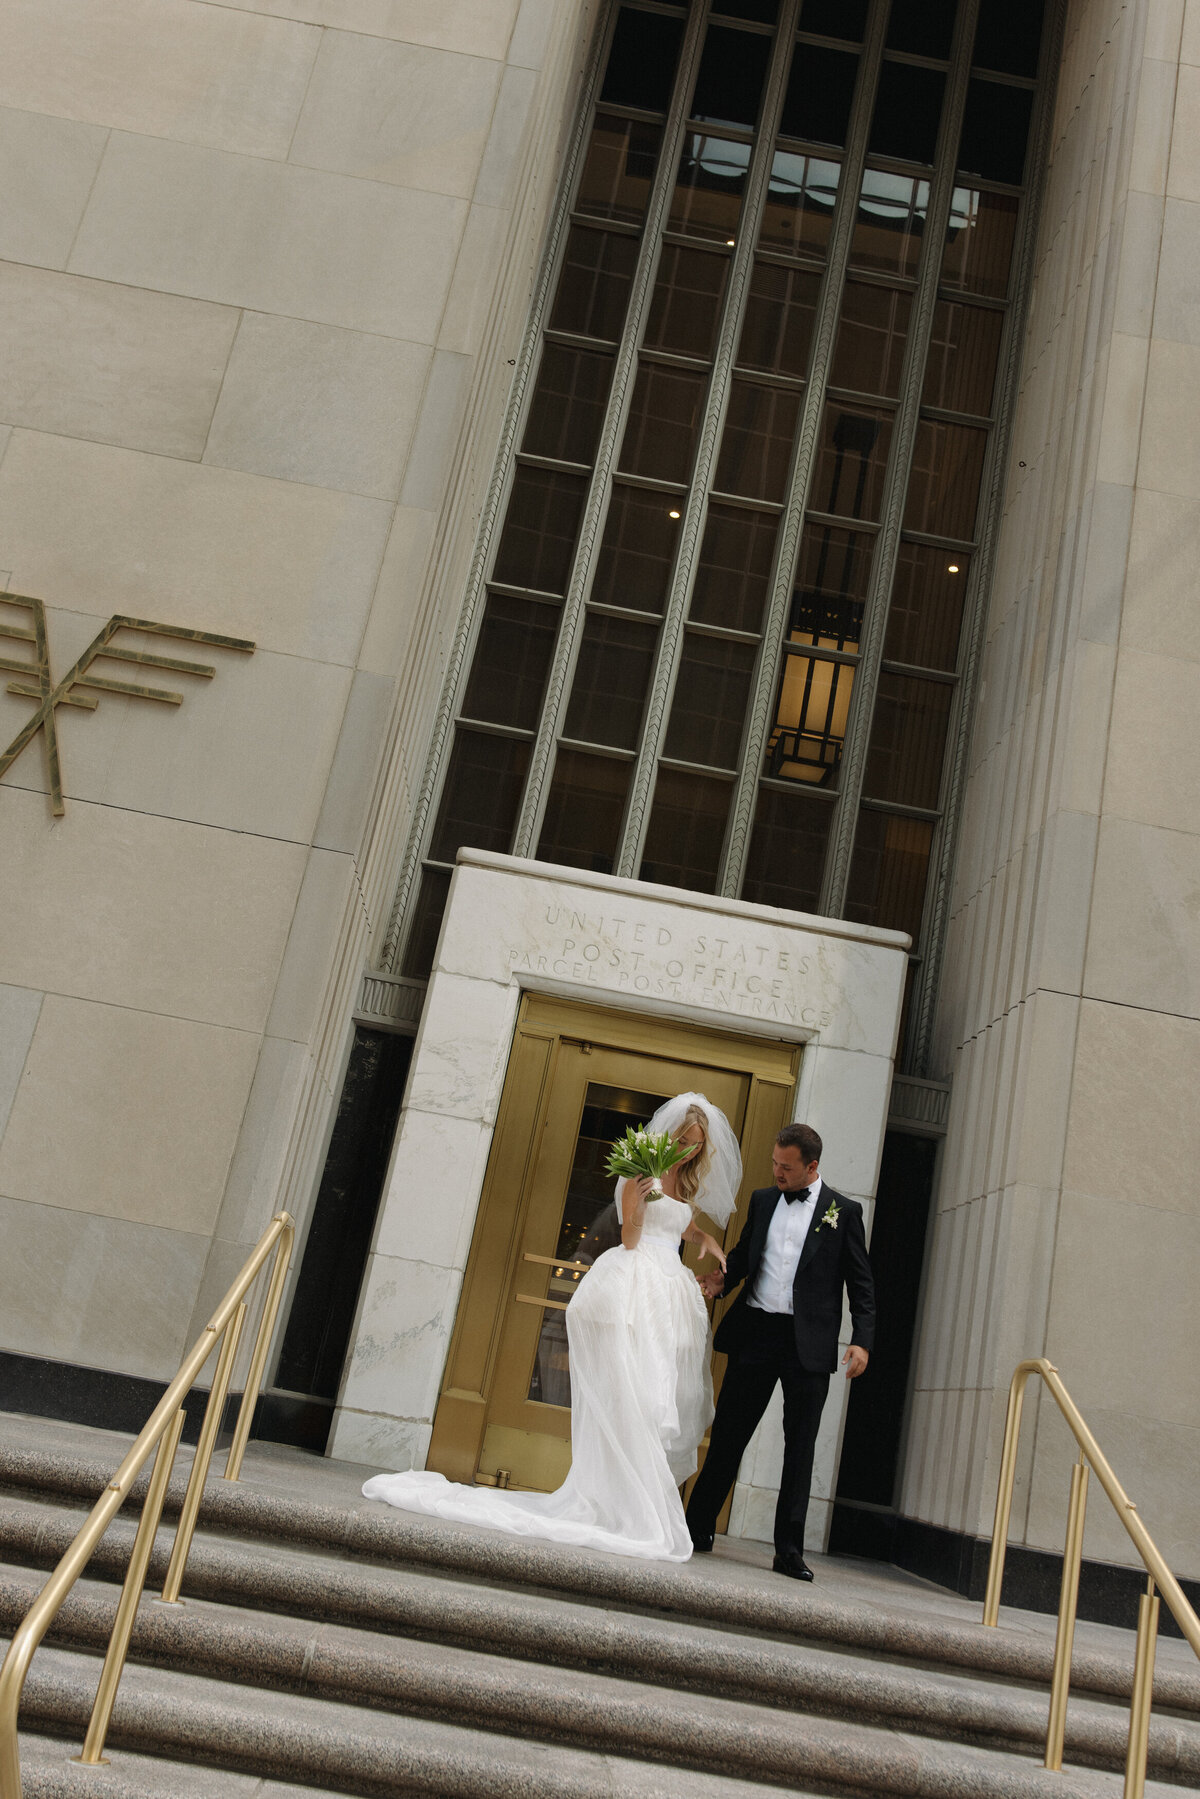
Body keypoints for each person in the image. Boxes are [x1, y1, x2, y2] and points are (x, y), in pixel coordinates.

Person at [362, 1092, 742, 1562]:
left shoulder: (683, 1181)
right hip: (637, 1283)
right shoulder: (641, 1170)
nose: (687, 1151)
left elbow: (679, 1224)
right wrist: (637, 1201)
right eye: (683, 1141)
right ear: (668, 1135)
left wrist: (703, 1235)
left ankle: (637, 1500)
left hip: (670, 1294)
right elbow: (629, 1237)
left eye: (696, 1146)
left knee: (663, 1400)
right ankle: (619, 1501)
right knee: (637, 1396)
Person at [685, 1122, 874, 1582]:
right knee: (729, 1432)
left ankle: (788, 1549)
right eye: (774, 1163)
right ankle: (696, 1527)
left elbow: (861, 1282)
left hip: (806, 1345)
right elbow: (748, 1253)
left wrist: (862, 1339)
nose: (777, 1172)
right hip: (757, 1333)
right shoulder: (764, 1199)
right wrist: (722, 1281)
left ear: (812, 1167)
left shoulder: (843, 1212)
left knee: (800, 1447)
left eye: (786, 1167)